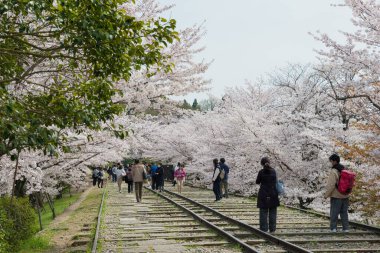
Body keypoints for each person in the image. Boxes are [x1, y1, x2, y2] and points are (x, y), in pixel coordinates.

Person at [324, 154, 350, 232]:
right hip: (345, 195)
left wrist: (326, 195)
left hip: (336, 195)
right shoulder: (344, 169)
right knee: (344, 213)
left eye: (331, 161)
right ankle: (346, 229)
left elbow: (331, 184)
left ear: (334, 161)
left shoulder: (334, 171)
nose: (330, 162)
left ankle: (333, 228)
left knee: (334, 213)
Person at [256, 157, 280, 233]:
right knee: (273, 211)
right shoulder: (274, 171)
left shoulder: (261, 172)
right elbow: (275, 181)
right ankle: (272, 229)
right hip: (273, 193)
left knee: (263, 211)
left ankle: (263, 229)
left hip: (263, 193)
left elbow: (257, 182)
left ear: (262, 164)